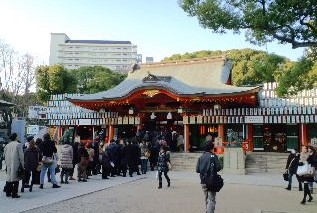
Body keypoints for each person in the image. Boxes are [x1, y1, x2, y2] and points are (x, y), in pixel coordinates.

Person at [196, 142, 222, 213]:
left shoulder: (201, 157)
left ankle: (207, 210)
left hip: (203, 180)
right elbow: (218, 167)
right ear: (211, 148)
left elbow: (197, 170)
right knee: (211, 199)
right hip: (212, 180)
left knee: (206, 198)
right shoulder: (213, 156)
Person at [3, 133, 24, 198]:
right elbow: (21, 156)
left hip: (8, 164)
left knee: (9, 178)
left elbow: (4, 155)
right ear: (16, 137)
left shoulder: (7, 145)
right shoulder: (18, 144)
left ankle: (8, 193)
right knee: (16, 179)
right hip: (16, 163)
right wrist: (23, 165)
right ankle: (14, 194)